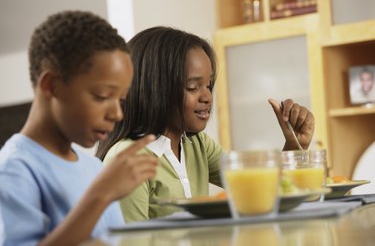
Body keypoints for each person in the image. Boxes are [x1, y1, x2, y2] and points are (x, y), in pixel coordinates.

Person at [96, 26, 315, 222]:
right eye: (192, 87)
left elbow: (262, 189)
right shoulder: (128, 159)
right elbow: (130, 242)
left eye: (208, 85)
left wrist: (294, 143)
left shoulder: (198, 145)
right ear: (155, 89)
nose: (207, 97)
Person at [0, 11, 159, 246]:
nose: (117, 113)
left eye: (121, 100)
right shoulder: (14, 170)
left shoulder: (94, 168)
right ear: (52, 86)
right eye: (102, 96)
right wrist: (100, 196)